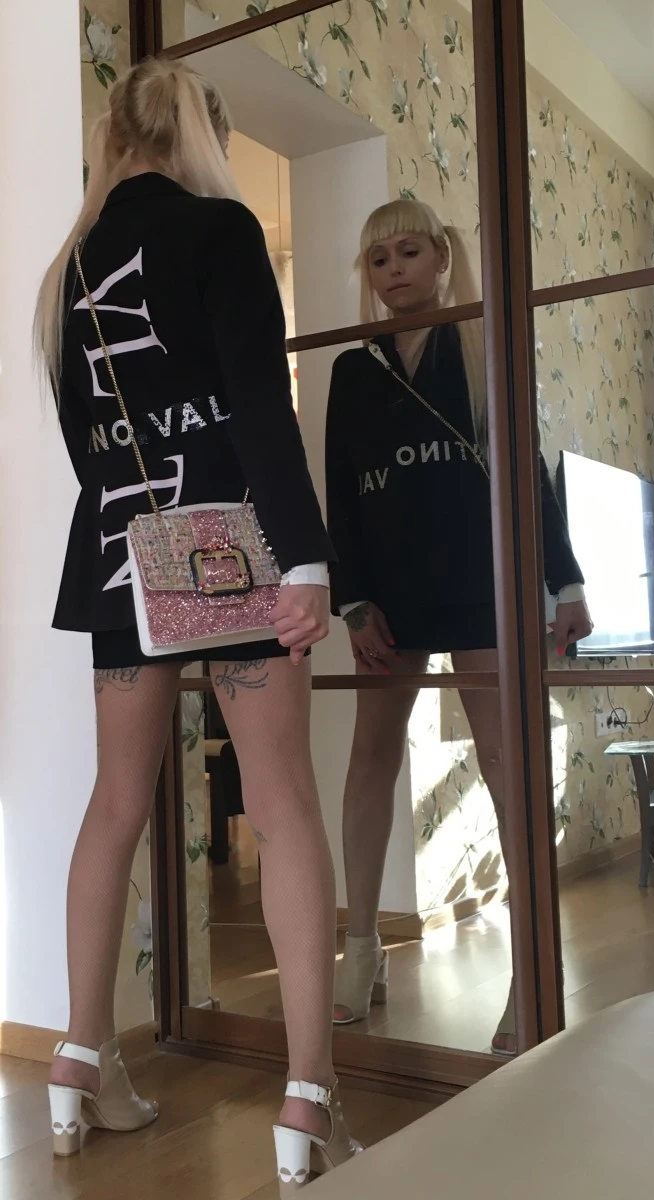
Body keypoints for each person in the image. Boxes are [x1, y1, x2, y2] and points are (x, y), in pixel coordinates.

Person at [35, 58, 357, 1192]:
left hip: (120, 548)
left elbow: (88, 448)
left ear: (116, 137)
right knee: (284, 804)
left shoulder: (70, 269)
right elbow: (260, 404)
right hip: (227, 544)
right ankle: (308, 1097)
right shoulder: (220, 231)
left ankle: (79, 1060)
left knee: (113, 803)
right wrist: (305, 556)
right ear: (201, 134)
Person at [325, 199, 592, 1055]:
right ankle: (360, 947)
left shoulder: (481, 344)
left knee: (506, 761)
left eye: (408, 252)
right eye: (378, 259)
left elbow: (528, 471)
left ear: (442, 258)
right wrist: (352, 601)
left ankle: (533, 961)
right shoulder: (352, 369)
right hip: (390, 598)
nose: (394, 270)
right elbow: (342, 493)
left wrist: (564, 581)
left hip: (482, 586)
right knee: (371, 758)